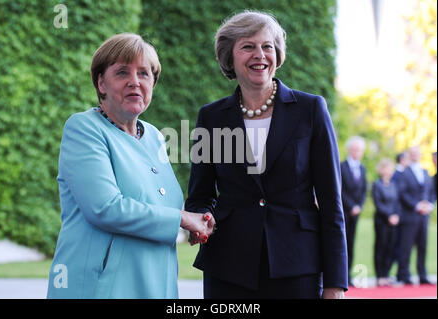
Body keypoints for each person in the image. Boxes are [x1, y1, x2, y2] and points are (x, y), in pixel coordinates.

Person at [185, 11, 347, 299]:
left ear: (277, 54)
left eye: (267, 46)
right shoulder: (210, 117)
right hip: (228, 265)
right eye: (248, 46)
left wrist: (335, 283)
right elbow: (200, 194)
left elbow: (332, 203)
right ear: (229, 57)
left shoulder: (311, 110)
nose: (259, 54)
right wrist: (201, 218)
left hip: (298, 264)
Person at [47, 33, 214, 299]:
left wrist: (194, 221)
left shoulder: (155, 136)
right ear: (101, 83)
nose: (135, 82)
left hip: (156, 285)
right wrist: (181, 219)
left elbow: (158, 201)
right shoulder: (84, 128)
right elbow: (105, 208)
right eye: (122, 72)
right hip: (100, 287)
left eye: (144, 74)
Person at [396, 146, 435, 285]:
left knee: (423, 246)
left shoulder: (425, 172)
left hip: (424, 217)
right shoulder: (404, 173)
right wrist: (417, 205)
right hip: (410, 215)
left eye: (417, 153)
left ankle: (422, 274)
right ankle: (404, 274)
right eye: (412, 153)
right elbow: (402, 193)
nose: (415, 156)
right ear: (409, 155)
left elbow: (431, 192)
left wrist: (429, 204)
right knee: (406, 246)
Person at [340, 136, 367, 286]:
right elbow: (340, 189)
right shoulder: (341, 166)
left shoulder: (362, 168)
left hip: (356, 213)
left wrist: (359, 206)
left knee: (351, 243)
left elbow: (364, 190)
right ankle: (340, 275)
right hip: (344, 211)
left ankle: (348, 275)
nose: (357, 152)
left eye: (360, 150)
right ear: (350, 150)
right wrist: (351, 206)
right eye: (355, 149)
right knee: (341, 243)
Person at [372, 159, 399, 286]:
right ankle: (380, 275)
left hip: (393, 221)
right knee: (381, 247)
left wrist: (396, 216)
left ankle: (387, 274)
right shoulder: (377, 184)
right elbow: (378, 203)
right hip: (382, 221)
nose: (389, 171)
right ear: (381, 170)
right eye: (386, 168)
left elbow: (396, 202)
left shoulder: (394, 185)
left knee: (391, 247)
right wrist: (388, 216)